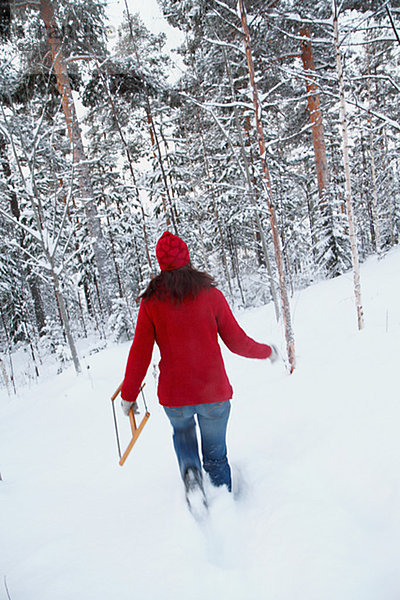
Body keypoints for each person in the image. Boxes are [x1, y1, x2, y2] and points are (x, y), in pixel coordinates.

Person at [120, 231, 277, 507]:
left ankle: (191, 474)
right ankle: (224, 502)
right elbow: (237, 342)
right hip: (213, 393)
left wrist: (129, 394)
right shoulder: (210, 295)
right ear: (188, 258)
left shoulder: (151, 302)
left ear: (161, 264)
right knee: (216, 455)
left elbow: (140, 352)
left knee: (183, 434)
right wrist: (266, 351)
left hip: (175, 396)